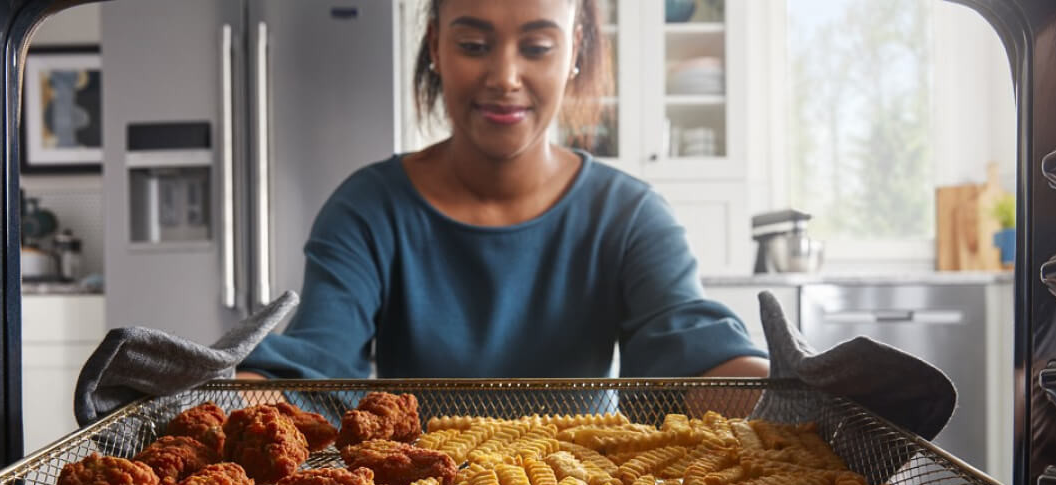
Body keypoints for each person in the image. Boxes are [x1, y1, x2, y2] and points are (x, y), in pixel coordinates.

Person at [237, 0, 768, 381]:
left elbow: (694, 351)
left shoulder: (628, 216)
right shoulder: (368, 210)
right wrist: (220, 404)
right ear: (436, 49)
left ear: (574, 50)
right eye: (473, 45)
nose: (505, 76)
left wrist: (801, 394)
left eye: (536, 47)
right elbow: (314, 366)